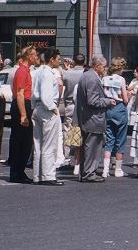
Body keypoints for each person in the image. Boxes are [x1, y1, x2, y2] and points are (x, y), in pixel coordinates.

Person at [75, 56, 117, 183]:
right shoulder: (92, 78)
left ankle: (85, 172)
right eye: (103, 66)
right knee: (92, 147)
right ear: (97, 66)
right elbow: (92, 101)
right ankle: (89, 173)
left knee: (88, 147)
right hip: (93, 119)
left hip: (86, 117)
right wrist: (108, 101)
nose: (105, 69)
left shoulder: (86, 75)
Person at [31, 49, 64, 186]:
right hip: (47, 109)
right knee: (50, 144)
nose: (60, 61)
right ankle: (48, 175)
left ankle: (37, 175)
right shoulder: (48, 73)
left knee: (38, 144)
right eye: (58, 58)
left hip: (37, 108)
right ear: (52, 59)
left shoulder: (38, 71)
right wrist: (52, 108)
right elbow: (46, 94)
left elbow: (33, 92)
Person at [9, 46, 38, 183]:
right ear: (29, 56)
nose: (36, 57)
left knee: (24, 142)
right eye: (35, 55)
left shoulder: (25, 70)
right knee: (21, 142)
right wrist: (23, 115)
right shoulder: (22, 71)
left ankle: (19, 171)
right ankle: (16, 173)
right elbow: (20, 94)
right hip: (22, 105)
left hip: (25, 104)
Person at [101, 57, 129, 178]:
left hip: (108, 108)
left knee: (109, 138)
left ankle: (105, 169)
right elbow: (125, 99)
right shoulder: (121, 79)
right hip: (119, 107)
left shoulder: (104, 79)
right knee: (120, 139)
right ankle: (118, 169)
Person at [61, 53, 86, 174]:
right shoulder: (86, 74)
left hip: (70, 104)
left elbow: (64, 85)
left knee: (68, 131)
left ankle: (66, 158)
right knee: (83, 132)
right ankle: (81, 159)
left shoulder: (67, 74)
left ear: (74, 62)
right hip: (82, 107)